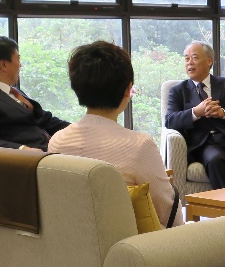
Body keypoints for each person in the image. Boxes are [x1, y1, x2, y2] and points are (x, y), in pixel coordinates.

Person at [49, 41, 175, 228]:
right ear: (127, 89)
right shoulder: (139, 145)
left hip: (74, 248)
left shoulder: (57, 142)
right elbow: (168, 213)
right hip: (130, 251)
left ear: (76, 88)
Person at [164, 40, 225, 189]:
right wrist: (196, 112)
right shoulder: (178, 91)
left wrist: (223, 113)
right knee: (215, 161)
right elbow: (170, 121)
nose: (189, 63)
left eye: (195, 58)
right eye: (186, 58)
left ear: (210, 61)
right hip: (204, 142)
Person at [0, 36, 69, 151]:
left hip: (54, 149)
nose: (20, 65)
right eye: (18, 59)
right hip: (31, 160)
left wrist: (79, 129)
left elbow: (46, 120)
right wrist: (23, 150)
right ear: (4, 65)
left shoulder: (15, 92)